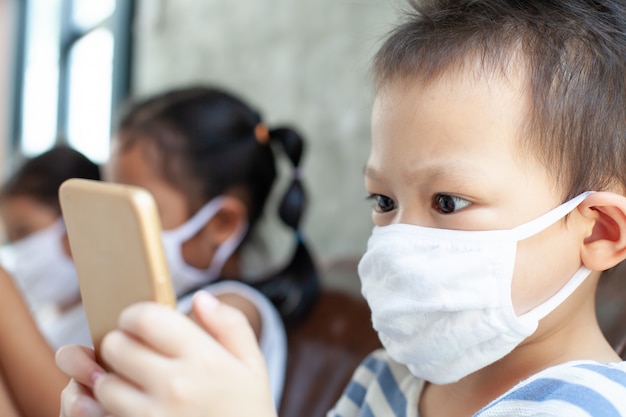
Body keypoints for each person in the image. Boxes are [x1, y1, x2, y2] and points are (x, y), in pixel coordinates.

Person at [56, 0, 626, 416]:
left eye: (448, 202)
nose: (400, 242)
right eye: (383, 201)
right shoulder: (386, 378)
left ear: (598, 230)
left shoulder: (586, 407)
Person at [101, 85, 318, 407]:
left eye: (135, 209)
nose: (111, 229)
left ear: (221, 224)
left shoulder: (228, 310)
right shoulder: (167, 301)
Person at [0, 145, 100, 349]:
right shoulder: (47, 315)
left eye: (24, 232)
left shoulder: (100, 331)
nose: (19, 249)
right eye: (11, 239)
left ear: (76, 224)